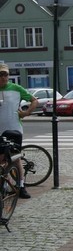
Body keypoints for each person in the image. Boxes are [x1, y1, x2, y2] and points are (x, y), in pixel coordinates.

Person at [0, 64, 38, 199]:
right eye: (0, 74)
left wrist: (26, 113)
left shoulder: (16, 88)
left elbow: (34, 101)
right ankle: (4, 186)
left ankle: (21, 186)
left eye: (5, 74)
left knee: (16, 159)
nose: (3, 77)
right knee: (1, 159)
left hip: (14, 129)